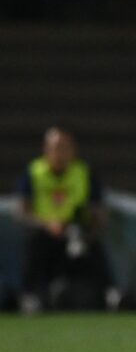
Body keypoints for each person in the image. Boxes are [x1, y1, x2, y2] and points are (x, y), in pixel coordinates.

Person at [16, 127, 118, 313]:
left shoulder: (83, 172)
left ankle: (110, 293)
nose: (60, 153)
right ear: (46, 149)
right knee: (34, 244)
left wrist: (87, 231)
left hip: (75, 232)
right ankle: (30, 296)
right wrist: (47, 224)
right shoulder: (34, 172)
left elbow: (99, 210)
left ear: (73, 150)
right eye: (56, 147)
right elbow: (22, 212)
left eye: (65, 147)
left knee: (92, 247)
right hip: (45, 233)